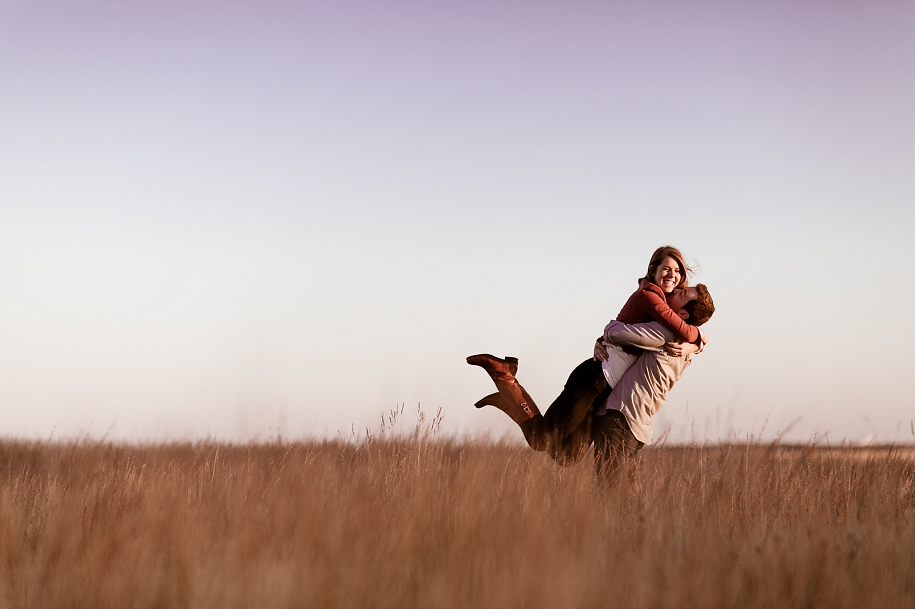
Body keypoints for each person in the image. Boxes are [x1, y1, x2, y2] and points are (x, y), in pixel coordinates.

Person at [467, 246, 713, 465]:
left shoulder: (665, 309)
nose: (673, 276)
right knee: (542, 439)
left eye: (678, 272)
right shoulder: (651, 297)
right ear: (652, 269)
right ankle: (504, 374)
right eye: (667, 268)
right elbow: (675, 330)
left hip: (606, 387)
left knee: (567, 456)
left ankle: (511, 402)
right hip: (596, 377)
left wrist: (696, 343)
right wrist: (698, 338)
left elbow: (674, 330)